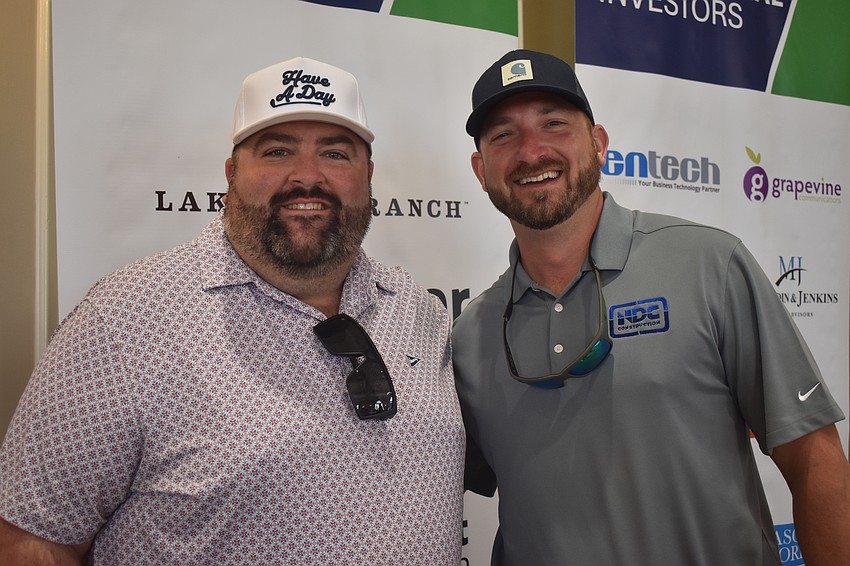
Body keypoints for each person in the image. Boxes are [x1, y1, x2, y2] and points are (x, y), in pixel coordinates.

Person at [0, 56, 465, 564]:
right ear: (231, 173)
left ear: (368, 175)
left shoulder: (419, 311)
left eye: (336, 153)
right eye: (277, 150)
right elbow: (33, 539)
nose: (307, 177)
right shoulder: (125, 319)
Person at [452, 49, 850, 566]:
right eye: (504, 135)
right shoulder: (472, 333)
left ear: (598, 145)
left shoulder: (709, 265)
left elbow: (815, 459)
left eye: (555, 124)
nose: (532, 151)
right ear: (481, 169)